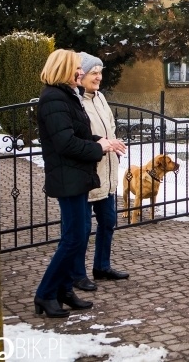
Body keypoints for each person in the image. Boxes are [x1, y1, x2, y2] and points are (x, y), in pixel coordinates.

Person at [34, 49, 125, 318]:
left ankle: (64, 291)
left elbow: (80, 133)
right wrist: (98, 147)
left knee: (77, 235)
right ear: (64, 69)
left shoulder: (67, 96)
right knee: (73, 239)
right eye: (77, 68)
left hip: (78, 176)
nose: (80, 72)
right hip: (68, 177)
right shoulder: (53, 98)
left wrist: (102, 140)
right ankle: (45, 293)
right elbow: (65, 143)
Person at [71, 52, 130, 292]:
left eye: (100, 72)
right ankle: (77, 274)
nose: (99, 77)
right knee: (82, 228)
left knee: (108, 222)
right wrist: (102, 144)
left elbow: (110, 127)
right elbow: (78, 137)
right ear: (80, 75)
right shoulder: (75, 101)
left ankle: (102, 266)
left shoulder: (100, 97)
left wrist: (113, 144)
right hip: (87, 172)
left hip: (107, 170)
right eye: (93, 73)